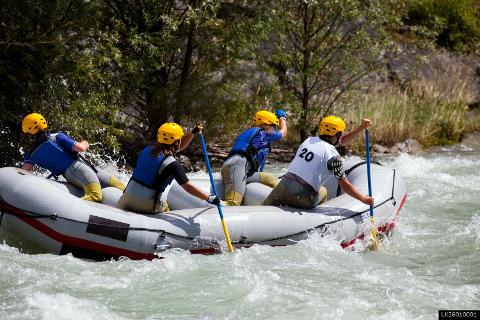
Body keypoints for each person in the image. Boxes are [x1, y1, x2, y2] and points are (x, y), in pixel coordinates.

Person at [262, 116, 374, 209]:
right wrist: (363, 199)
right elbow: (344, 184)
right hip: (303, 197)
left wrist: (360, 128)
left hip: (283, 187)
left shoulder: (309, 140)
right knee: (323, 191)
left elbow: (340, 142)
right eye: (340, 133)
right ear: (337, 134)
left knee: (263, 209)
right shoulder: (333, 155)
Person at [116, 122, 222, 213]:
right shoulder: (172, 164)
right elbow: (187, 186)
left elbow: (178, 146)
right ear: (176, 142)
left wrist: (192, 133)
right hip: (147, 204)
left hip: (127, 197)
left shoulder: (147, 150)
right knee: (168, 209)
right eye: (179, 139)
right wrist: (209, 197)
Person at [21, 113, 126, 202]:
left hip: (75, 171)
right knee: (96, 195)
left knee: (115, 183)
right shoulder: (57, 136)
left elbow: (25, 171)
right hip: (77, 169)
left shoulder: (30, 152)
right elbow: (80, 148)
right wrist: (85, 144)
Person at [221, 109, 287, 206]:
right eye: (273, 126)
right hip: (237, 165)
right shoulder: (262, 133)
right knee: (233, 203)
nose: (274, 129)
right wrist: (282, 118)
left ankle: (287, 197)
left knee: (270, 178)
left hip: (242, 169)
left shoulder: (255, 133)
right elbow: (283, 132)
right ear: (264, 125)